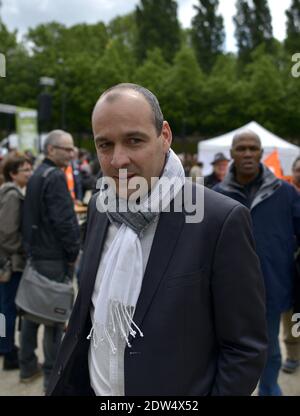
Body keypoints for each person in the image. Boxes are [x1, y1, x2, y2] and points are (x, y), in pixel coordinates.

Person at [47, 83, 267, 396]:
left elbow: (244, 349)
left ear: (165, 136)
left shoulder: (219, 220)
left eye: (134, 140)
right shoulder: (100, 205)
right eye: (105, 145)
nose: (119, 160)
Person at [214, 130, 300, 396]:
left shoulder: (286, 193)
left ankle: (270, 388)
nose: (248, 153)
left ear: (262, 153)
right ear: (231, 154)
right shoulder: (216, 195)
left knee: (271, 349)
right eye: (242, 148)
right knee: (229, 349)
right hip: (229, 291)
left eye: (253, 148)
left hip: (272, 286)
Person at [20, 130, 80, 390]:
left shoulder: (37, 174)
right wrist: (73, 252)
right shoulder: (54, 176)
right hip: (53, 256)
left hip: (37, 253)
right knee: (55, 320)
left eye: (72, 149)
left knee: (32, 313)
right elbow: (64, 221)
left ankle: (27, 365)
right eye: (67, 149)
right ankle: (52, 379)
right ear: (51, 150)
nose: (72, 153)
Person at [0, 155, 32, 370]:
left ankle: (5, 345)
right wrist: (23, 250)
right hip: (11, 264)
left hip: (7, 262)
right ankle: (8, 351)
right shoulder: (11, 195)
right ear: (13, 173)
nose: (29, 173)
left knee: (5, 307)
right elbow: (7, 233)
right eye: (25, 170)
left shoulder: (8, 192)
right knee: (8, 308)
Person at [281, 157, 300, 373]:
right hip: (289, 267)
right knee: (292, 316)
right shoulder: (284, 194)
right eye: (298, 170)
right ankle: (293, 354)